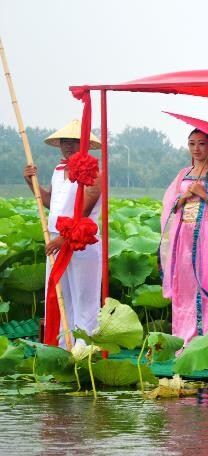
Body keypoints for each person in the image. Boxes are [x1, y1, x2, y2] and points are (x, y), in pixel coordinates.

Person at [22, 120, 103, 347]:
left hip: (80, 242)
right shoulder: (59, 171)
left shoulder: (93, 173)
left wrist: (63, 239)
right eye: (65, 141)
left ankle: (85, 349)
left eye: (75, 141)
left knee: (83, 298)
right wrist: (31, 183)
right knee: (61, 297)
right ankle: (63, 347)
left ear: (85, 144)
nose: (68, 145)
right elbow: (51, 203)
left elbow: (83, 210)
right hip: (55, 240)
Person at [160, 128, 208, 345]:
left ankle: (203, 343)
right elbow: (171, 207)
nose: (196, 149)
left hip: (207, 236)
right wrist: (183, 197)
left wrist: (205, 194)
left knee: (204, 284)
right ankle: (181, 340)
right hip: (184, 236)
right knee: (184, 286)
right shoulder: (183, 173)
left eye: (201, 144)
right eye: (192, 143)